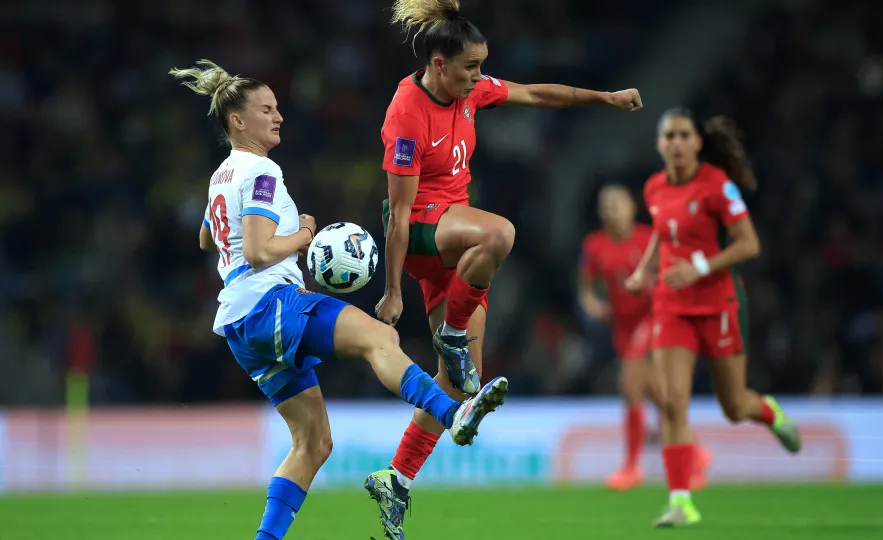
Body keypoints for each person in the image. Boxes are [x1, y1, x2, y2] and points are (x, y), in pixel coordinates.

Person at [170, 59, 508, 540]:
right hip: (270, 303)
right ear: (237, 121)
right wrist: (304, 232)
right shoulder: (262, 171)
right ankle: (454, 414)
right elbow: (259, 249)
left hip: (240, 327)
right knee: (379, 336)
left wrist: (264, 239)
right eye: (267, 108)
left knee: (313, 442)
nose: (278, 115)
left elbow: (209, 238)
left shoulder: (220, 177)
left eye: (278, 107)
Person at [365, 0, 643, 537]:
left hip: (455, 242)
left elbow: (537, 93)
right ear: (439, 63)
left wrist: (604, 98)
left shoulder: (470, 92)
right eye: (470, 67)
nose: (478, 76)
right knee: (501, 233)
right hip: (422, 230)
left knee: (458, 382)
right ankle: (450, 330)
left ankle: (396, 479)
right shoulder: (406, 111)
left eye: (480, 66)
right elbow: (398, 212)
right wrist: (393, 290)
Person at [625, 108, 802, 527]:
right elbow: (660, 231)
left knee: (734, 406)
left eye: (684, 135)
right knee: (671, 403)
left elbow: (749, 244)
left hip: (717, 304)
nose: (676, 143)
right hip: (671, 305)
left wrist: (699, 268)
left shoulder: (717, 187)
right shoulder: (654, 188)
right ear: (659, 144)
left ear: (698, 142)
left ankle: (769, 412)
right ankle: (681, 501)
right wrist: (643, 270)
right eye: (668, 136)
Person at [579, 184, 711, 492]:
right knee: (659, 396)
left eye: (618, 203)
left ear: (632, 208)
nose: (612, 209)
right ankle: (697, 456)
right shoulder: (594, 245)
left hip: (653, 319)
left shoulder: (647, 240)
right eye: (606, 204)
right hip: (621, 327)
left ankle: (631, 466)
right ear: (600, 212)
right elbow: (586, 288)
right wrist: (593, 306)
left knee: (629, 386)